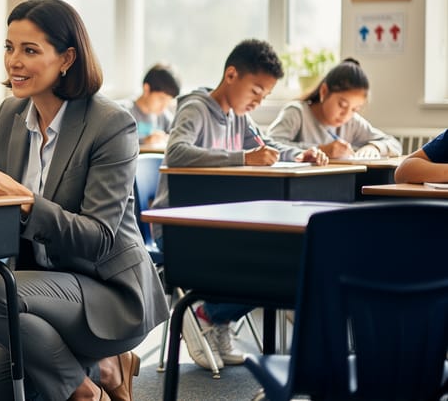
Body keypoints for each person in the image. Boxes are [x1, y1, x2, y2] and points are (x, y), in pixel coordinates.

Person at [0, 0, 168, 401]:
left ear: (66, 58)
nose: (14, 62)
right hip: (41, 291)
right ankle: (106, 367)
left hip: (104, 289)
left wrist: (26, 201)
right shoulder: (11, 114)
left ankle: (84, 391)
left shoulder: (111, 124)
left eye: (30, 50)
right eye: (9, 48)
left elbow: (98, 237)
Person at [150, 38, 327, 372]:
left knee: (284, 256)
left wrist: (298, 153)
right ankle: (203, 313)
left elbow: (267, 146)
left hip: (220, 226)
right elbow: (176, 153)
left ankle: (212, 317)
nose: (259, 101)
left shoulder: (239, 117)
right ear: (231, 75)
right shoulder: (196, 107)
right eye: (256, 91)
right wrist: (244, 157)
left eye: (265, 96)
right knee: (269, 261)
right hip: (179, 228)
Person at [267, 58, 401, 159]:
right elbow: (269, 146)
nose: (346, 114)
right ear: (324, 91)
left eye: (355, 109)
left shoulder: (352, 122)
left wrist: (375, 147)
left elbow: (394, 144)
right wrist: (321, 150)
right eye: (342, 105)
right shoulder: (297, 113)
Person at [124, 63, 180, 147]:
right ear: (146, 89)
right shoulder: (125, 112)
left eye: (168, 101)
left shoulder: (163, 115)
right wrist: (144, 141)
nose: (164, 106)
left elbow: (178, 134)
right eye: (161, 99)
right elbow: (119, 145)